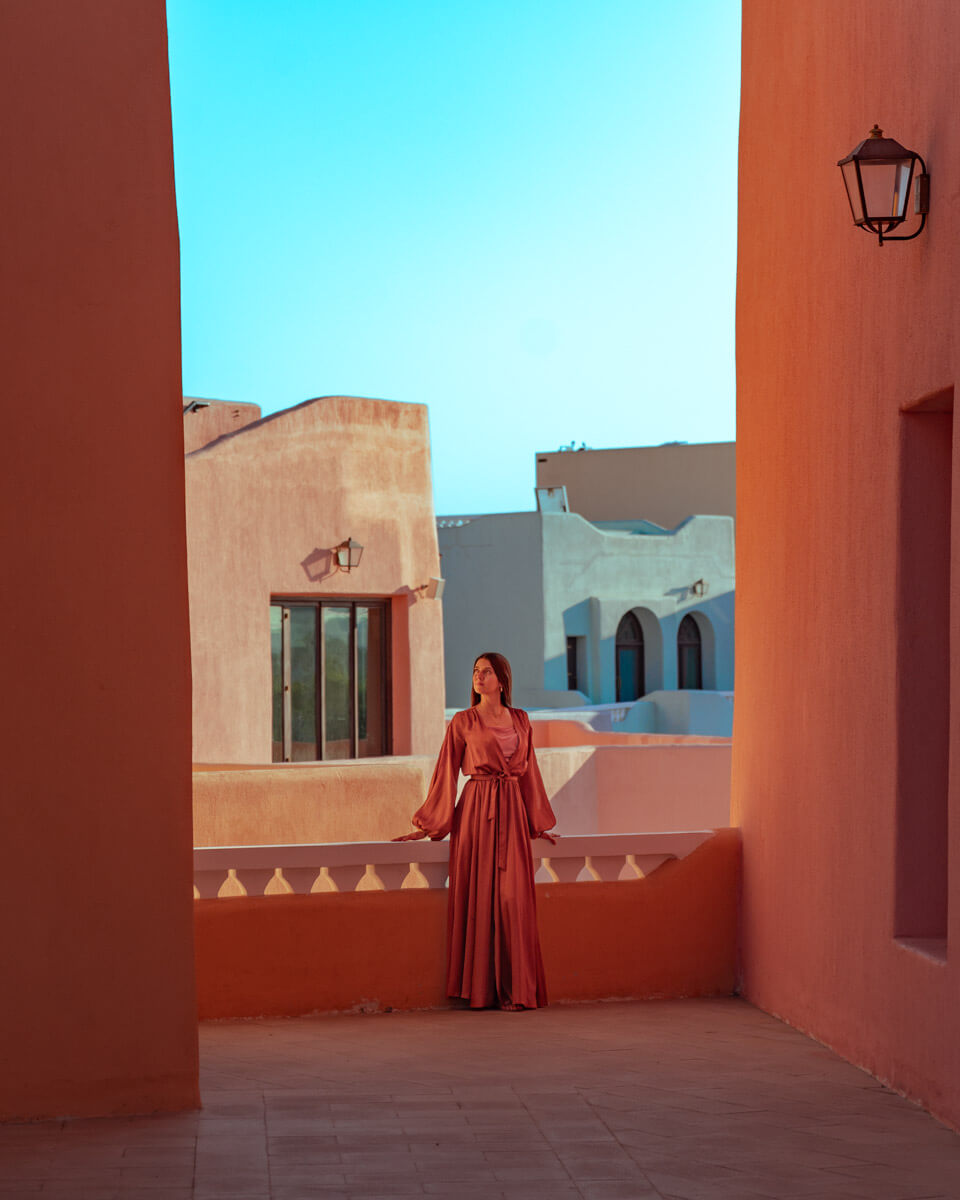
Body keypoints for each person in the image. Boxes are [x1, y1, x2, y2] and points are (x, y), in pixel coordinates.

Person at [394, 652, 558, 1010]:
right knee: (479, 897)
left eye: (486, 672)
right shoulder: (463, 722)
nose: (478, 677)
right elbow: (446, 774)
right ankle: (481, 991)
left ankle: (517, 991)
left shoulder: (521, 720)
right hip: (476, 812)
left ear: (502, 680)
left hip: (512, 811)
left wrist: (538, 822)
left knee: (513, 899)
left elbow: (530, 774)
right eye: (474, 672)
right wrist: (428, 825)